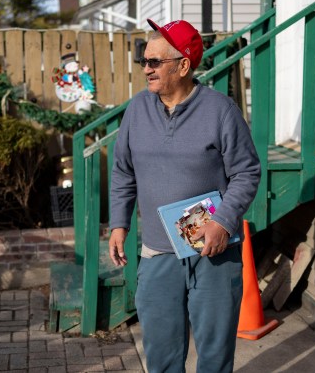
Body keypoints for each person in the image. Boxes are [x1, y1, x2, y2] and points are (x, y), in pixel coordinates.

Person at [108, 19, 261, 373]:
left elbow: (246, 172)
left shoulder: (221, 111)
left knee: (214, 354)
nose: (146, 69)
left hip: (213, 253)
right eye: (144, 61)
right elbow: (123, 172)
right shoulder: (136, 111)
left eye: (154, 62)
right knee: (161, 354)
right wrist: (119, 224)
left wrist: (223, 222)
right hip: (158, 253)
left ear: (183, 65)